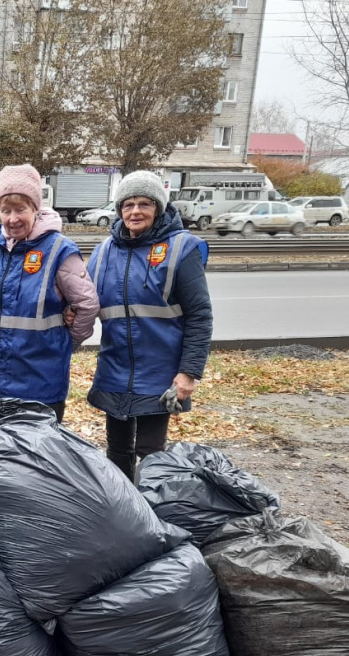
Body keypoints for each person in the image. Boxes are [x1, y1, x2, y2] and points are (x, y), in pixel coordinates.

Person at [86, 170, 213, 481]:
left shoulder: (182, 249)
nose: (135, 211)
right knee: (116, 450)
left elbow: (200, 315)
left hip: (160, 373)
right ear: (118, 210)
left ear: (159, 208)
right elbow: (81, 302)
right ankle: (123, 514)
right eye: (127, 204)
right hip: (115, 368)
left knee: (151, 451)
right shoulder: (104, 252)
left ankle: (152, 513)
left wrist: (189, 372)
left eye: (145, 203)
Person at [0, 163, 99, 421]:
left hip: (41, 387)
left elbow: (87, 304)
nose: (13, 219)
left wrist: (67, 344)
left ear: (36, 208)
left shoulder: (59, 250)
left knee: (40, 458)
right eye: (5, 210)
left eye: (20, 209)